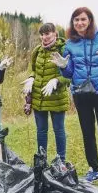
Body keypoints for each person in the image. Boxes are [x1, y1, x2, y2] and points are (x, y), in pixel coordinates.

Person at [50, 7, 98, 193]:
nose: (79, 23)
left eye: (83, 19)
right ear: (72, 23)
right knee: (87, 132)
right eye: (76, 20)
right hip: (81, 92)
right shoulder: (70, 43)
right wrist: (63, 67)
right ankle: (94, 169)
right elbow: (69, 73)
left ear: (90, 20)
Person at [21, 23, 70, 162]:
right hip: (39, 97)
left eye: (47, 34)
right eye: (42, 34)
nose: (44, 37)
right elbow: (34, 70)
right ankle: (41, 161)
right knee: (41, 131)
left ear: (55, 34)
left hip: (57, 98)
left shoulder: (64, 49)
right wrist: (31, 78)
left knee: (58, 130)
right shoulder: (37, 51)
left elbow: (70, 75)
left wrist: (56, 81)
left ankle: (61, 161)